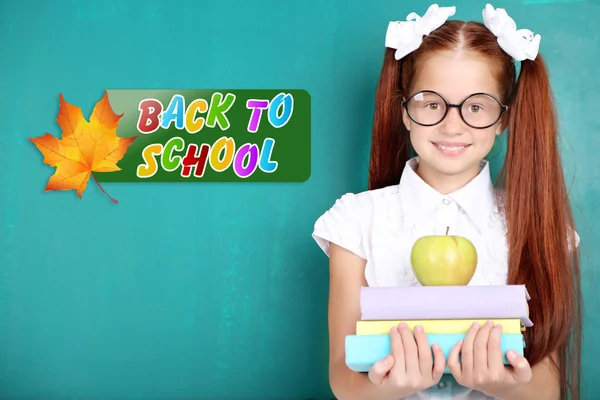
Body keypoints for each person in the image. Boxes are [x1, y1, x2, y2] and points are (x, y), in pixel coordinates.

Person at [311, 3, 582, 400]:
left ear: (503, 118)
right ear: (404, 110)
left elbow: (547, 388)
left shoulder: (540, 227)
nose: (452, 125)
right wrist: (389, 387)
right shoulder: (355, 221)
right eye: (431, 103)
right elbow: (343, 378)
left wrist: (496, 383)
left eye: (476, 106)